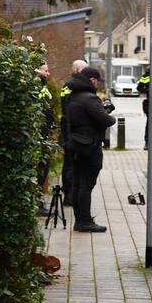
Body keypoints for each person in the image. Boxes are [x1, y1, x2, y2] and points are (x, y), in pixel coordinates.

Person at [64, 66, 115, 232]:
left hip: (76, 145)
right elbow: (106, 120)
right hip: (90, 147)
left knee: (78, 184)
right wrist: (109, 115)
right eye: (97, 81)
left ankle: (80, 220)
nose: (97, 84)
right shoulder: (90, 98)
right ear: (92, 79)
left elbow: (84, 117)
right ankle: (84, 221)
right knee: (86, 185)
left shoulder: (73, 96)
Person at [59, 59, 88, 206]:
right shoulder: (71, 86)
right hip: (70, 130)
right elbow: (69, 109)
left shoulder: (70, 85)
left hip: (72, 129)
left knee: (72, 163)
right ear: (78, 71)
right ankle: (68, 194)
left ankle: (73, 192)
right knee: (70, 163)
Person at [36, 64, 55, 215]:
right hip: (40, 134)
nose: (48, 73)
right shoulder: (36, 86)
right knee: (40, 170)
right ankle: (38, 204)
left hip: (45, 132)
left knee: (44, 169)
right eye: (45, 70)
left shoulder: (43, 86)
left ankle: (39, 202)